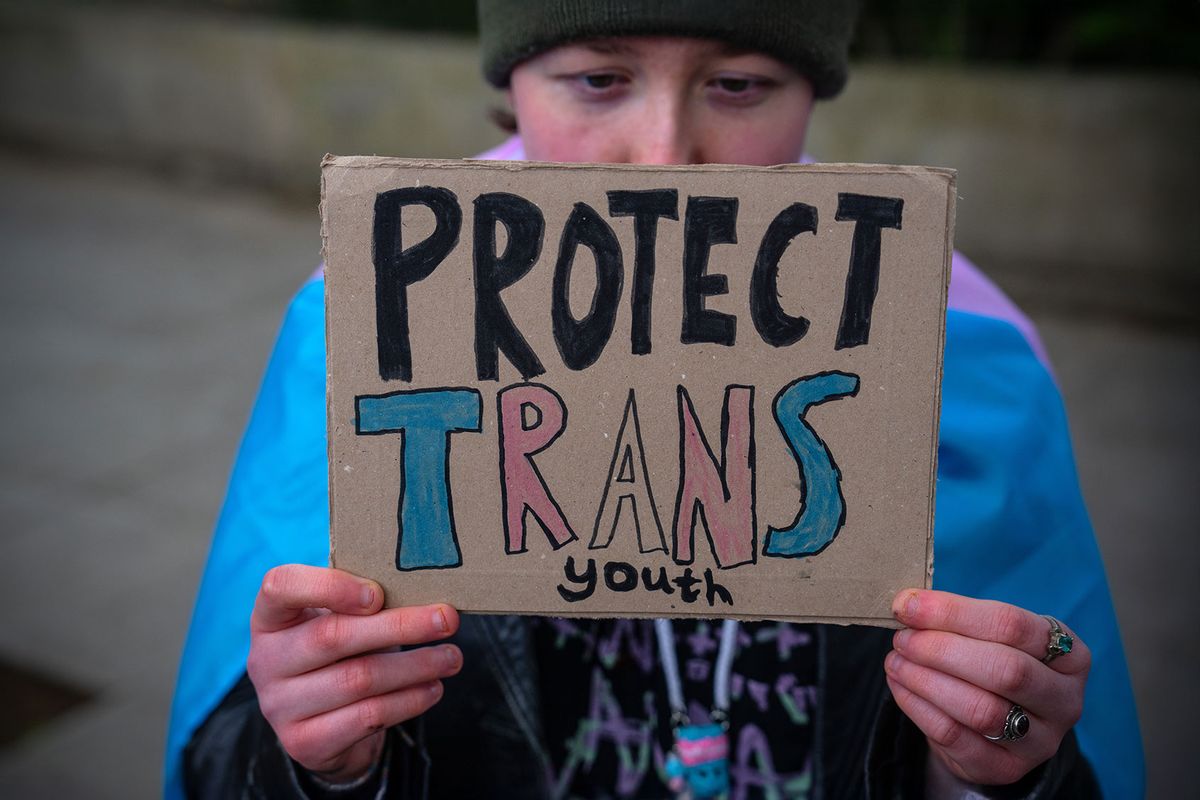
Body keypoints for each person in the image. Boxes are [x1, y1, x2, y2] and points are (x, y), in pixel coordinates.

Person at [166, 2, 1143, 797]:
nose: (666, 150)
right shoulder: (366, 325)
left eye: (740, 85)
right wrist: (318, 762)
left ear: (812, 90)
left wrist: (991, 772)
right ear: (513, 79)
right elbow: (231, 752)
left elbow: (1052, 732)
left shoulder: (970, 358)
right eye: (599, 78)